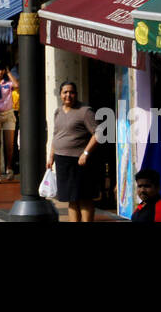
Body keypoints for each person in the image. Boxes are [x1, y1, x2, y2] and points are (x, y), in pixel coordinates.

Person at [47, 81, 101, 222]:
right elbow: (56, 135)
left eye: (71, 92)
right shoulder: (58, 111)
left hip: (79, 161)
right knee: (70, 199)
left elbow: (98, 134)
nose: (68, 95)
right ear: (60, 94)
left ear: (76, 94)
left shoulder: (85, 111)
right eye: (65, 92)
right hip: (62, 161)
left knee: (84, 198)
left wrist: (86, 153)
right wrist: (51, 156)